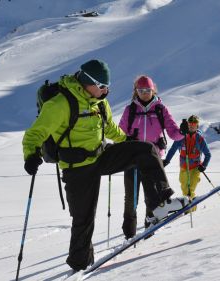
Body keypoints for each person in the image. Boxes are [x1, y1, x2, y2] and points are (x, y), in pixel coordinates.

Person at [22, 59, 188, 272]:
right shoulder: (61, 103)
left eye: (107, 86)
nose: (106, 91)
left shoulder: (100, 102)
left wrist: (127, 142)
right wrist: (31, 155)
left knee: (146, 150)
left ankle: (160, 204)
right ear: (87, 82)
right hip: (77, 168)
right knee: (84, 220)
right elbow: (35, 133)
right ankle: (79, 265)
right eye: (102, 86)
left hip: (101, 156)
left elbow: (110, 128)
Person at [118, 75, 184, 239]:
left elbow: (173, 132)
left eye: (147, 90)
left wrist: (181, 132)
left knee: (152, 196)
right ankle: (129, 233)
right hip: (132, 158)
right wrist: (121, 141)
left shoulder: (161, 109)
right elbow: (120, 132)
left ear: (153, 89)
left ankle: (149, 228)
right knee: (131, 198)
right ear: (136, 91)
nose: (144, 93)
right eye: (141, 90)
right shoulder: (130, 110)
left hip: (154, 159)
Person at [164, 115, 211, 212]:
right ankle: (188, 208)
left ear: (197, 126)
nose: (191, 126)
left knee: (190, 190)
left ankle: (191, 210)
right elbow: (173, 149)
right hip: (184, 167)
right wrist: (167, 160)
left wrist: (204, 165)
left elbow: (208, 154)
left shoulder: (199, 139)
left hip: (195, 168)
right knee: (184, 189)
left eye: (194, 124)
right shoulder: (181, 137)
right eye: (190, 124)